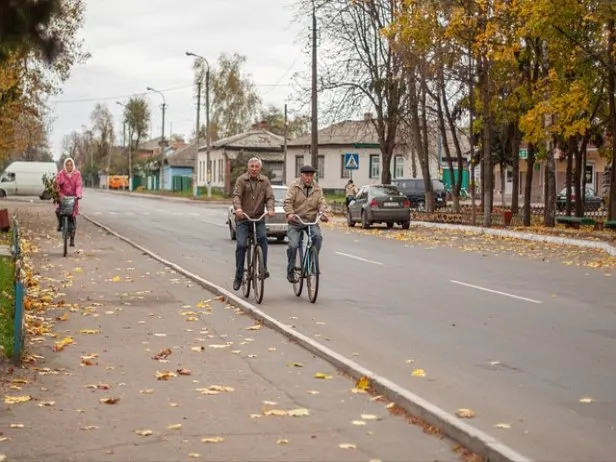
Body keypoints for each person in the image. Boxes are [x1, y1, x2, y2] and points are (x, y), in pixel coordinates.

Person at [231, 157, 275, 291]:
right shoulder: (241, 180)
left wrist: (270, 209)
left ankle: (263, 269)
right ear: (248, 167)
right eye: (252, 166)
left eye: (257, 166)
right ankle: (238, 276)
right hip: (243, 219)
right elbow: (236, 196)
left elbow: (269, 197)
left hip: (258, 218)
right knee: (241, 245)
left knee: (263, 239)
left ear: (260, 168)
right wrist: (238, 209)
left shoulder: (265, 181)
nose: (254, 169)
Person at [283, 165, 329, 283]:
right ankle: (291, 270)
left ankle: (312, 261)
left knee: (317, 237)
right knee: (293, 246)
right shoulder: (294, 186)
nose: (309, 178)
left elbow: (321, 202)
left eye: (311, 176)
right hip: (296, 220)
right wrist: (290, 214)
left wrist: (322, 213)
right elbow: (288, 202)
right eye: (306, 175)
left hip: (311, 221)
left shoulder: (317, 188)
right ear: (301, 175)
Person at [54, 157, 83, 247]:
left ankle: (72, 239)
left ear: (73, 165)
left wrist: (79, 195)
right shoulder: (61, 173)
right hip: (63, 197)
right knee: (58, 211)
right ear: (65, 165)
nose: (69, 166)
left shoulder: (77, 174)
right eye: (67, 165)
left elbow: (79, 185)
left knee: (73, 218)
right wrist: (57, 192)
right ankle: (60, 224)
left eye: (71, 165)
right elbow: (57, 184)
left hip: (73, 198)